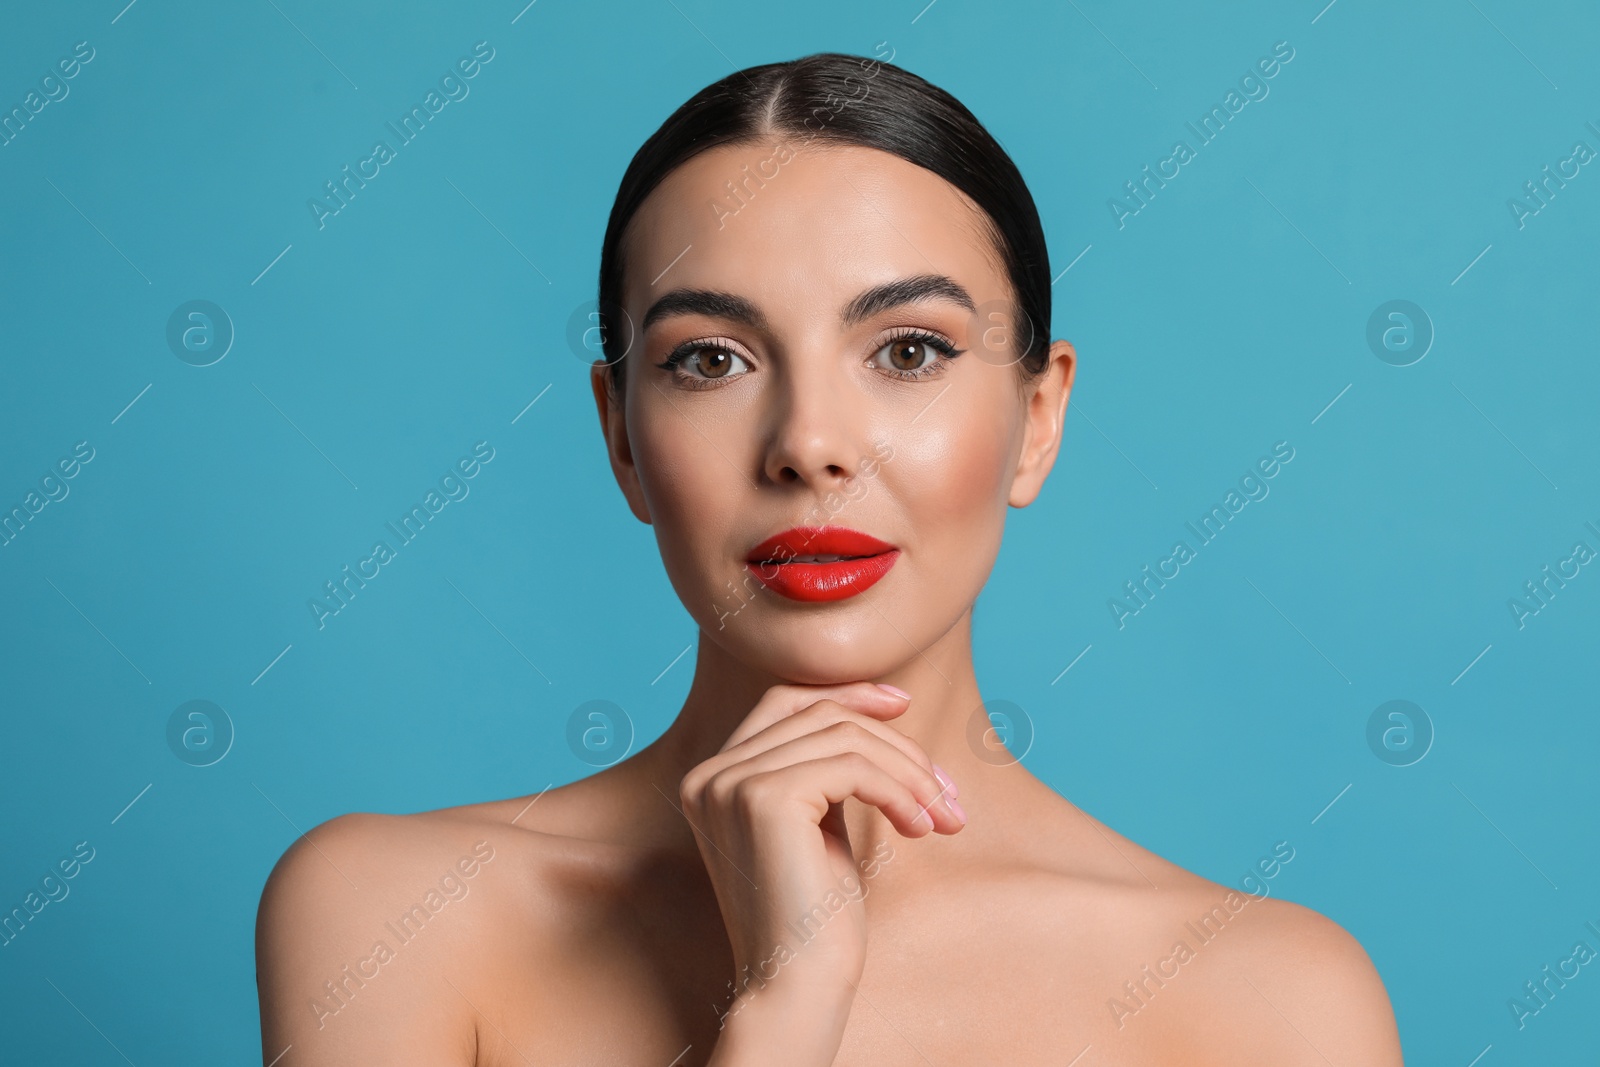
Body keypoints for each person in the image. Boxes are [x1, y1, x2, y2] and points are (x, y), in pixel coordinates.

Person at [256, 51, 1403, 1065]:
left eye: (907, 350)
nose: (808, 444)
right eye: (710, 360)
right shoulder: (393, 914)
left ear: (1038, 416)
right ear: (620, 438)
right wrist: (784, 1004)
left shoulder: (1270, 999)